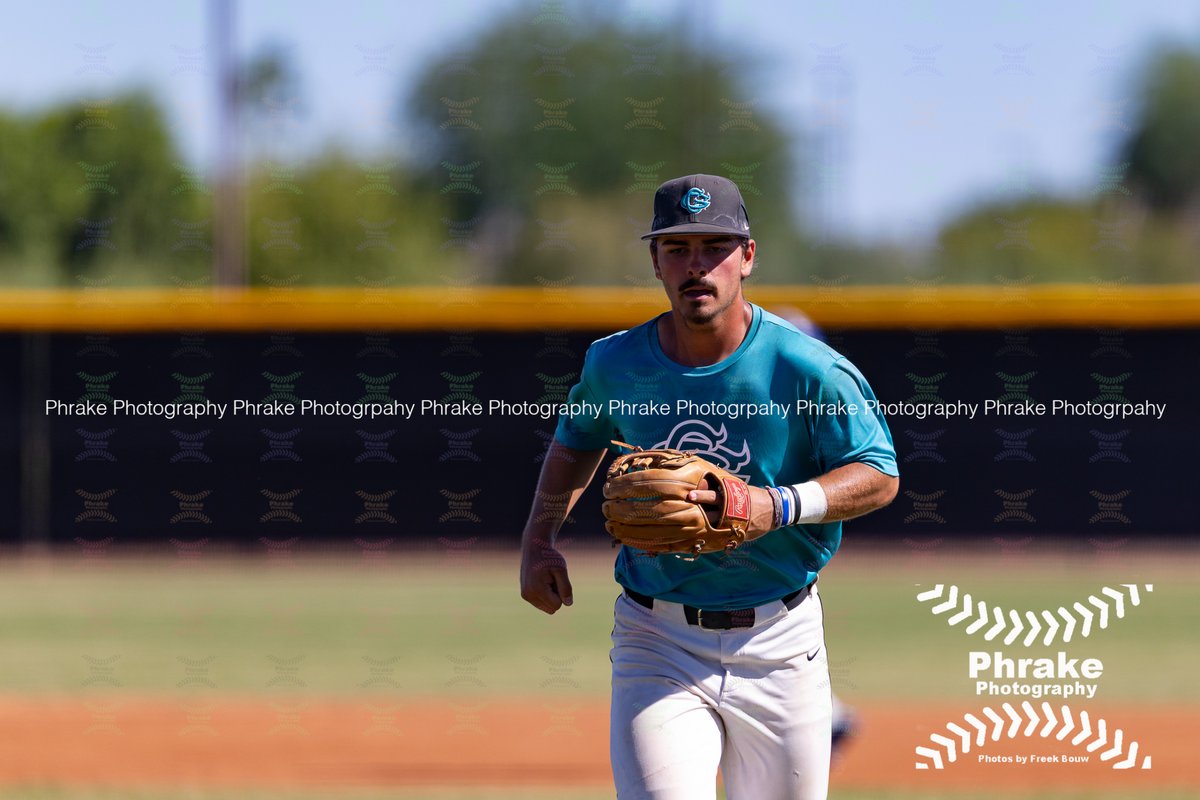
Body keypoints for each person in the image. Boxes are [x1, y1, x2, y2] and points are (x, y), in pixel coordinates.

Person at [519, 174, 899, 800]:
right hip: (656, 640)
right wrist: (539, 540)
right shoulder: (616, 364)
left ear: (747, 256)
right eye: (677, 248)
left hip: (781, 641)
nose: (696, 265)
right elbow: (575, 442)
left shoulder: (807, 368)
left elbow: (878, 475)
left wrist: (777, 505)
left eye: (714, 246)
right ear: (655, 261)